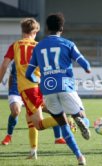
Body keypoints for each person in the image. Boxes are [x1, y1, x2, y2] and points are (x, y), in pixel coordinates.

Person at [26, 13, 91, 165]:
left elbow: (29, 74)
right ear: (61, 28)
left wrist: (39, 80)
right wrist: (87, 69)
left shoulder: (38, 46)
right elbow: (85, 65)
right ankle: (79, 118)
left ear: (47, 28)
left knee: (62, 123)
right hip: (65, 85)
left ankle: (79, 156)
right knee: (81, 113)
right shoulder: (68, 44)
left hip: (48, 89)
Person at [0, 18, 62, 159]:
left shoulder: (15, 45)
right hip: (36, 86)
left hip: (28, 88)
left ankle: (65, 121)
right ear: (34, 32)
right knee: (30, 118)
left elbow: (4, 65)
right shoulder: (40, 46)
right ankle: (33, 151)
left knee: (39, 123)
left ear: (22, 31)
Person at [1, 62, 66, 145]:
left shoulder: (38, 61)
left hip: (32, 92)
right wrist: (10, 92)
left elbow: (42, 78)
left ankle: (58, 138)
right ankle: (9, 136)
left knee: (53, 109)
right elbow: (11, 76)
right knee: (15, 111)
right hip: (16, 91)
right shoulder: (16, 62)